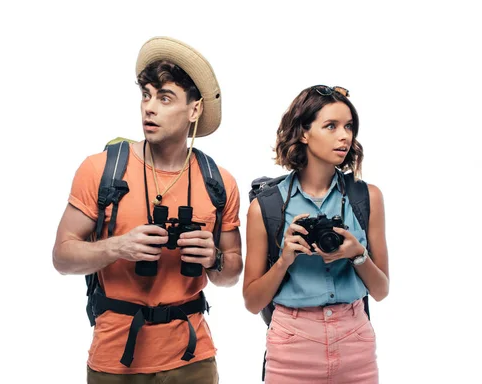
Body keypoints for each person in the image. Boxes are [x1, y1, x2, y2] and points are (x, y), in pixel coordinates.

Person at [52, 36, 242, 383]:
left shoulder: (219, 182)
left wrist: (213, 257)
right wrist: (118, 246)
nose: (149, 108)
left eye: (164, 98)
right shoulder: (100, 170)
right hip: (114, 358)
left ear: (194, 110)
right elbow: (62, 257)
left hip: (192, 359)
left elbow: (230, 273)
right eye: (146, 95)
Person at [243, 85, 389, 383]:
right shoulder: (266, 207)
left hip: (355, 343)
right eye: (331, 126)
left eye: (349, 126)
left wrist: (357, 255)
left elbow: (382, 290)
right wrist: (284, 260)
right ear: (304, 133)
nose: (345, 136)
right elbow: (252, 302)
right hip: (291, 346)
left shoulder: (367, 197)